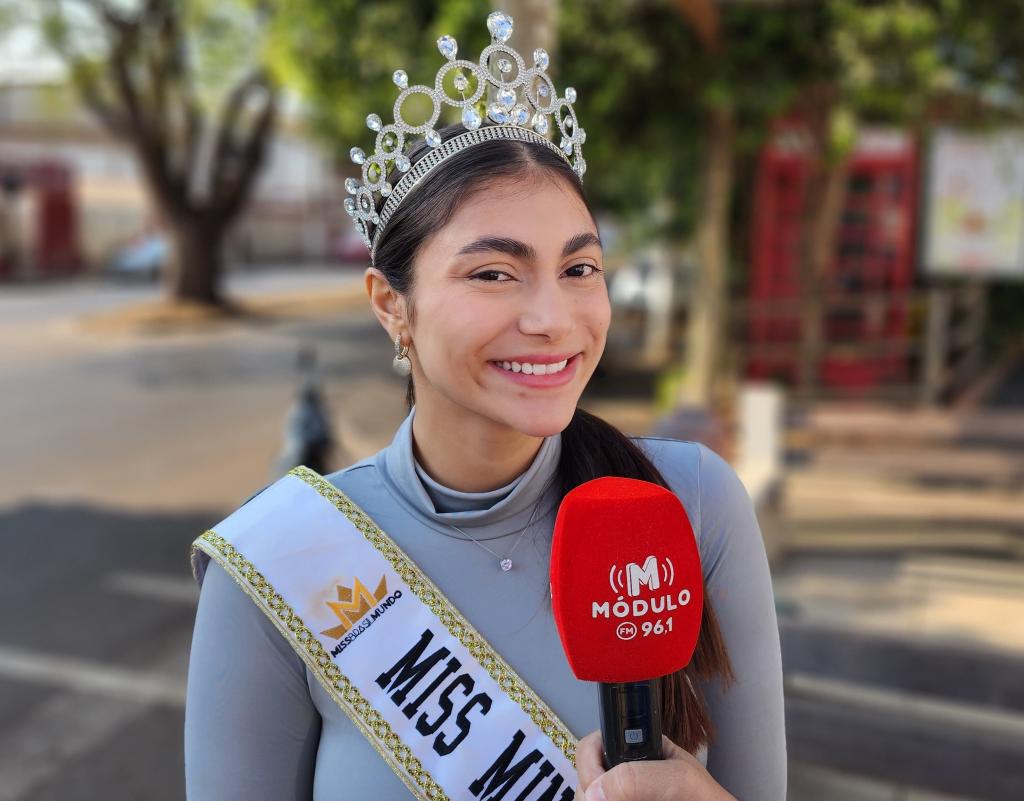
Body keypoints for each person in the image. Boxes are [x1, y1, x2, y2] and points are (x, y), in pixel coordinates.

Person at [185, 11, 785, 801]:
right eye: (494, 273)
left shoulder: (688, 503)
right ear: (391, 306)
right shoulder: (281, 559)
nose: (552, 317)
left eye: (579, 268)